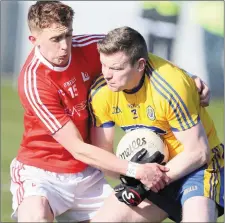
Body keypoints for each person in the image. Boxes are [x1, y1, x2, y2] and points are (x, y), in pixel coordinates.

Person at [9, 1, 212, 222]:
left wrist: (187, 77)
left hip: (88, 172)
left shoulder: (88, 47)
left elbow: (135, 54)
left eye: (68, 35)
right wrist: (136, 170)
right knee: (35, 217)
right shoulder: (34, 82)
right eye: (56, 39)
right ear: (34, 40)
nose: (65, 46)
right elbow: (77, 148)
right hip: (43, 172)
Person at [88, 26, 224, 222]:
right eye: (104, 65)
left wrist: (148, 182)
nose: (107, 74)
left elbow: (199, 152)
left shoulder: (171, 86)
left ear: (140, 65)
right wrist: (134, 176)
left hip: (198, 168)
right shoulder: (100, 92)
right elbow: (104, 157)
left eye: (116, 68)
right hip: (147, 174)